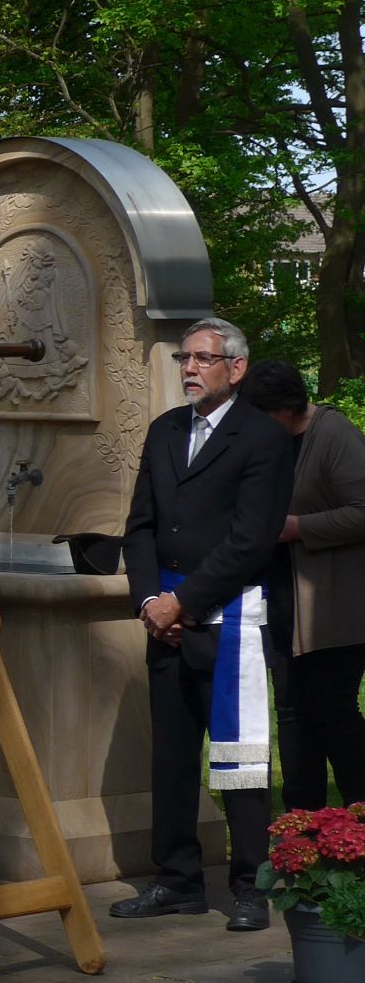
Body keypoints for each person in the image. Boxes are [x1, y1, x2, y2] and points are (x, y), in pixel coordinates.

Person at [118, 316, 293, 931]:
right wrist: (150, 601)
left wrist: (184, 602)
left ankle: (249, 887)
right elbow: (140, 526)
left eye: (201, 359)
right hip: (163, 620)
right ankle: (176, 880)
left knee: (241, 756)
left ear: (235, 368)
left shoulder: (263, 438)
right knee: (170, 754)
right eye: (183, 359)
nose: (189, 369)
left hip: (227, 616)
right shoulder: (166, 430)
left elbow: (252, 539)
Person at [243, 359, 365, 811]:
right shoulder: (272, 443)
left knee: (333, 711)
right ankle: (303, 828)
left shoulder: (334, 435)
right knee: (293, 714)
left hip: (336, 609)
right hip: (282, 603)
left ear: (284, 407)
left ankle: (359, 811)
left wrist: (298, 527)